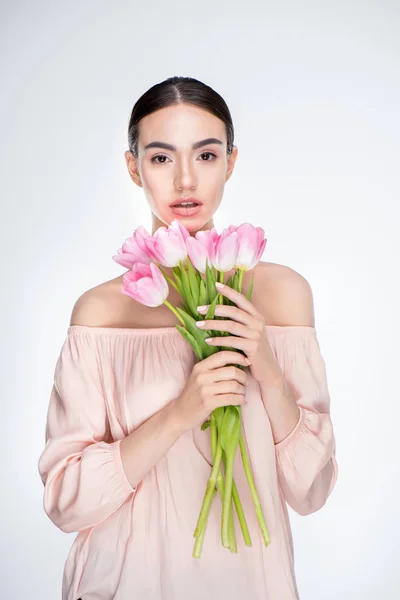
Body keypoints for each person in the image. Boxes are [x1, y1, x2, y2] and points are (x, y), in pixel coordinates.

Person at [38, 76, 338, 600]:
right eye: (160, 158)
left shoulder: (283, 295)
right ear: (134, 167)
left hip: (253, 583)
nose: (184, 181)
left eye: (205, 155)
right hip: (127, 583)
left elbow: (310, 492)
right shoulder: (102, 313)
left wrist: (266, 371)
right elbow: (67, 502)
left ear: (231, 161)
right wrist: (181, 412)